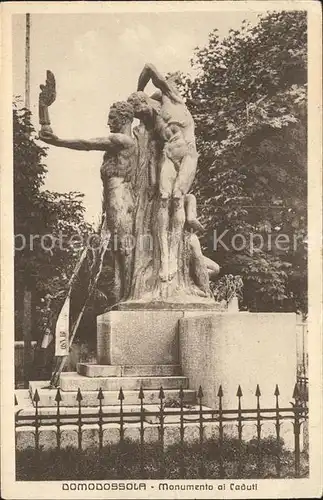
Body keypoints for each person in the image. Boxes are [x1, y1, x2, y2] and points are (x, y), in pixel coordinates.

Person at [38, 73, 136, 300]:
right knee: (118, 251)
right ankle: (123, 296)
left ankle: (130, 297)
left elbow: (86, 144)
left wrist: (57, 141)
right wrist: (44, 112)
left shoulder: (122, 141)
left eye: (112, 117)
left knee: (124, 248)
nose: (109, 122)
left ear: (124, 118)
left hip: (121, 202)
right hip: (114, 203)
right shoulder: (120, 145)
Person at [128, 63, 199, 282]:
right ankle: (165, 257)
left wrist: (139, 89)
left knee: (178, 198)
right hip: (168, 155)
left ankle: (174, 253)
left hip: (187, 152)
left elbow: (148, 67)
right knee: (163, 199)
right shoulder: (151, 122)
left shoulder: (171, 96)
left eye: (142, 110)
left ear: (146, 100)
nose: (143, 115)